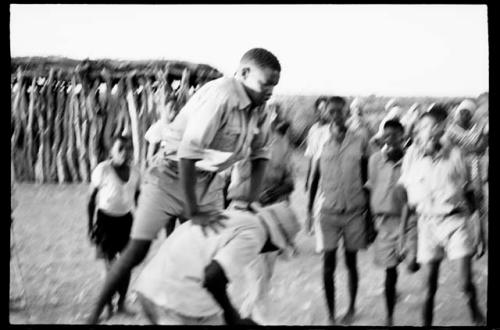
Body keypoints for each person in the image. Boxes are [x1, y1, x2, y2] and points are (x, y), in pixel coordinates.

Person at [86, 48, 281, 323]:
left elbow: (261, 155)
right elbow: (188, 152)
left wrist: (248, 201)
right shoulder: (221, 97)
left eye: (274, 86)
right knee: (137, 250)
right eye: (265, 84)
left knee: (212, 251)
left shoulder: (260, 111)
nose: (270, 91)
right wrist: (193, 209)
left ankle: (215, 315)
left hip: (209, 180)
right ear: (244, 73)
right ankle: (93, 316)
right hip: (170, 172)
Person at [133, 202, 301, 325]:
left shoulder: (234, 215)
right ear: (275, 242)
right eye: (277, 249)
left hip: (150, 286)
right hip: (173, 301)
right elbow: (213, 277)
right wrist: (232, 316)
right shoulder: (256, 234)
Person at [396, 104, 486, 326]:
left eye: (433, 127)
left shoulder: (456, 156)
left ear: (440, 129)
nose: (427, 131)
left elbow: (470, 194)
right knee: (428, 288)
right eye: (422, 128)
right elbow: (406, 198)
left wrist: (479, 231)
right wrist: (403, 235)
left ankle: (475, 312)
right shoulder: (412, 158)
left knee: (465, 283)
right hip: (427, 225)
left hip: (454, 222)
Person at [226, 110, 295, 324]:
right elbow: (230, 188)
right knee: (256, 277)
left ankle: (249, 317)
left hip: (272, 218)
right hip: (245, 217)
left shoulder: (282, 146)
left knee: (266, 277)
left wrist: (275, 191)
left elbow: (290, 182)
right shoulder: (237, 145)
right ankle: (251, 318)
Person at [314, 96, 375, 325]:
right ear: (326, 113)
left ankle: (350, 308)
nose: (336, 115)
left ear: (347, 113)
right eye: (332, 111)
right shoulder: (318, 138)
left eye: (340, 111)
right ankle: (330, 315)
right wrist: (311, 210)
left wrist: (369, 216)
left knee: (351, 263)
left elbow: (367, 178)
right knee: (328, 264)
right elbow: (314, 176)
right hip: (327, 211)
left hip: (354, 212)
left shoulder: (360, 140)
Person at [87, 135, 141, 318]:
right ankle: (108, 306)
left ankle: (121, 304)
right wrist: (90, 227)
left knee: (126, 266)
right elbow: (90, 200)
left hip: (126, 221)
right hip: (105, 222)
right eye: (120, 148)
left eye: (128, 148)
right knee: (109, 267)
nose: (125, 153)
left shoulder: (135, 172)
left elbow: (138, 199)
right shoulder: (103, 170)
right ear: (112, 151)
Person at [364, 119, 406, 326]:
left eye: (394, 135)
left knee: (414, 263)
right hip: (383, 221)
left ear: (402, 137)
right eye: (386, 135)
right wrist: (369, 223)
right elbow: (370, 189)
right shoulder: (374, 160)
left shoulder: (410, 160)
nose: (389, 139)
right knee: (390, 270)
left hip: (406, 220)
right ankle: (389, 316)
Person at [304, 96, 330, 254]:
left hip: (330, 170)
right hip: (317, 171)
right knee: (317, 208)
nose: (323, 112)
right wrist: (309, 177)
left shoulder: (334, 128)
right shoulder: (313, 130)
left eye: (325, 108)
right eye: (320, 109)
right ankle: (321, 244)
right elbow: (311, 155)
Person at [144, 94, 180, 166]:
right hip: (160, 164)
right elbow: (151, 152)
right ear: (164, 108)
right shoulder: (158, 127)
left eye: (175, 108)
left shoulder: (172, 126)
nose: (173, 111)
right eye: (171, 108)